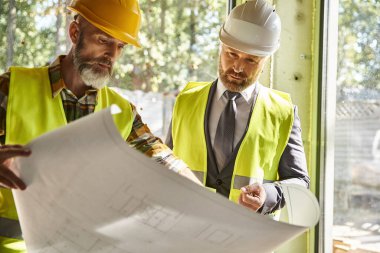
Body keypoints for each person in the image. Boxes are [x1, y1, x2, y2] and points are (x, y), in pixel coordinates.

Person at [0, 0, 199, 252]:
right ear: (74, 33)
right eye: (104, 40)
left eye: (120, 46)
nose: (112, 55)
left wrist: (212, 205)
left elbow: (165, 163)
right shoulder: (11, 89)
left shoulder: (122, 112)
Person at [166, 0, 310, 216]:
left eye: (251, 60)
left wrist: (268, 194)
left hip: (249, 238)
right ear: (221, 47)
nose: (238, 67)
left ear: (266, 59)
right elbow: (165, 164)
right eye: (231, 54)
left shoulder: (283, 113)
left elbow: (300, 182)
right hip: (187, 231)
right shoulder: (186, 101)